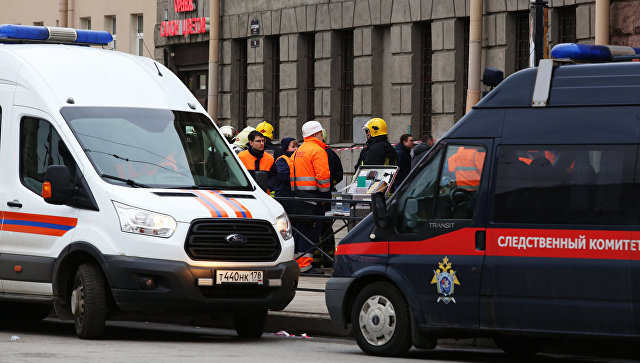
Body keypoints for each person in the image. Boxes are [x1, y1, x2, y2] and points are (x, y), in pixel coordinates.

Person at [290, 120, 331, 274]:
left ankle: (297, 263)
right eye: (320, 133)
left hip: (299, 197)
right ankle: (305, 265)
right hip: (315, 198)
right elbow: (323, 177)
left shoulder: (298, 150)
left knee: (300, 231)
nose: (322, 135)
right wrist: (324, 196)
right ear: (316, 134)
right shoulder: (318, 151)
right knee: (311, 233)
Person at [273, 137, 298, 212]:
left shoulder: (296, 158)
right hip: (284, 194)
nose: (296, 149)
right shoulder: (282, 159)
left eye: (297, 146)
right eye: (293, 147)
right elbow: (283, 176)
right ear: (286, 148)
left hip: (292, 194)